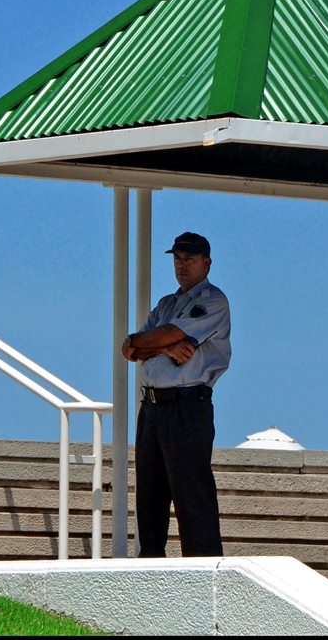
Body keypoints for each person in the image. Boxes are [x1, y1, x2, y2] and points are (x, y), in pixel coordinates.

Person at [122, 232, 231, 557]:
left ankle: (204, 571)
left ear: (206, 263)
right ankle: (149, 571)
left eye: (190, 259)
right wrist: (165, 345)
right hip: (152, 407)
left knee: (191, 498)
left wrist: (152, 342)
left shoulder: (213, 300)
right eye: (178, 259)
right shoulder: (167, 304)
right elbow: (129, 347)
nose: (182, 266)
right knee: (149, 497)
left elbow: (158, 336)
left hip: (187, 405)